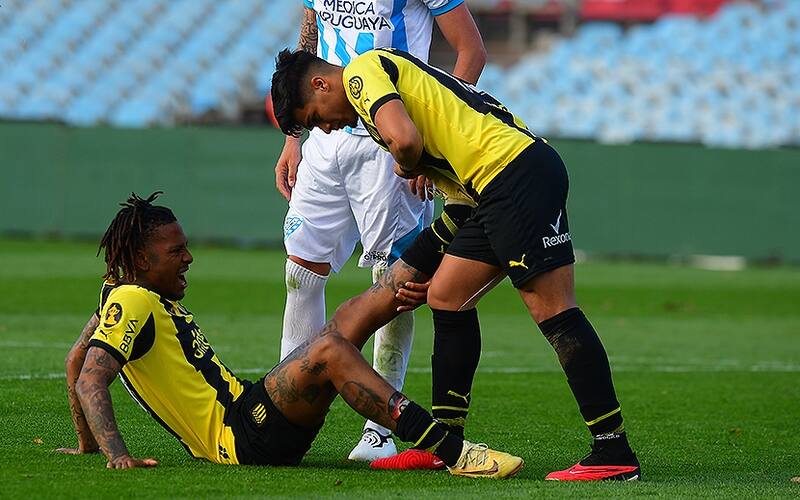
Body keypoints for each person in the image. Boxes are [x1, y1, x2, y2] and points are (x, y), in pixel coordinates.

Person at [269, 48, 642, 481]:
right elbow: (459, 204)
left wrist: (405, 163)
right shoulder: (392, 92)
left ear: (321, 84)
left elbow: (406, 142)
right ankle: (447, 445)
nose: (326, 128)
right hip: (488, 189)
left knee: (554, 310)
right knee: (446, 296)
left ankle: (613, 450)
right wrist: (417, 266)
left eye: (316, 117)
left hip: (513, 176)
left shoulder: (360, 73)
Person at [56, 192, 522, 478]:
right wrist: (115, 455)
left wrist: (88, 443)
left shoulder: (119, 296)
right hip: (239, 439)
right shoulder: (133, 300)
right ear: (141, 261)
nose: (189, 258)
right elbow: (91, 377)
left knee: (346, 318)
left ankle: (453, 222)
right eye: (176, 251)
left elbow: (76, 362)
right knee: (329, 349)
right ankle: (453, 451)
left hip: (248, 413)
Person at [273, 0, 486, 462]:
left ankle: (378, 430)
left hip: (390, 142)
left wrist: (429, 139)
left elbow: (471, 51)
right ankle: (286, 412)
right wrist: (295, 134)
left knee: (396, 279)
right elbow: (309, 46)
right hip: (325, 138)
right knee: (300, 273)